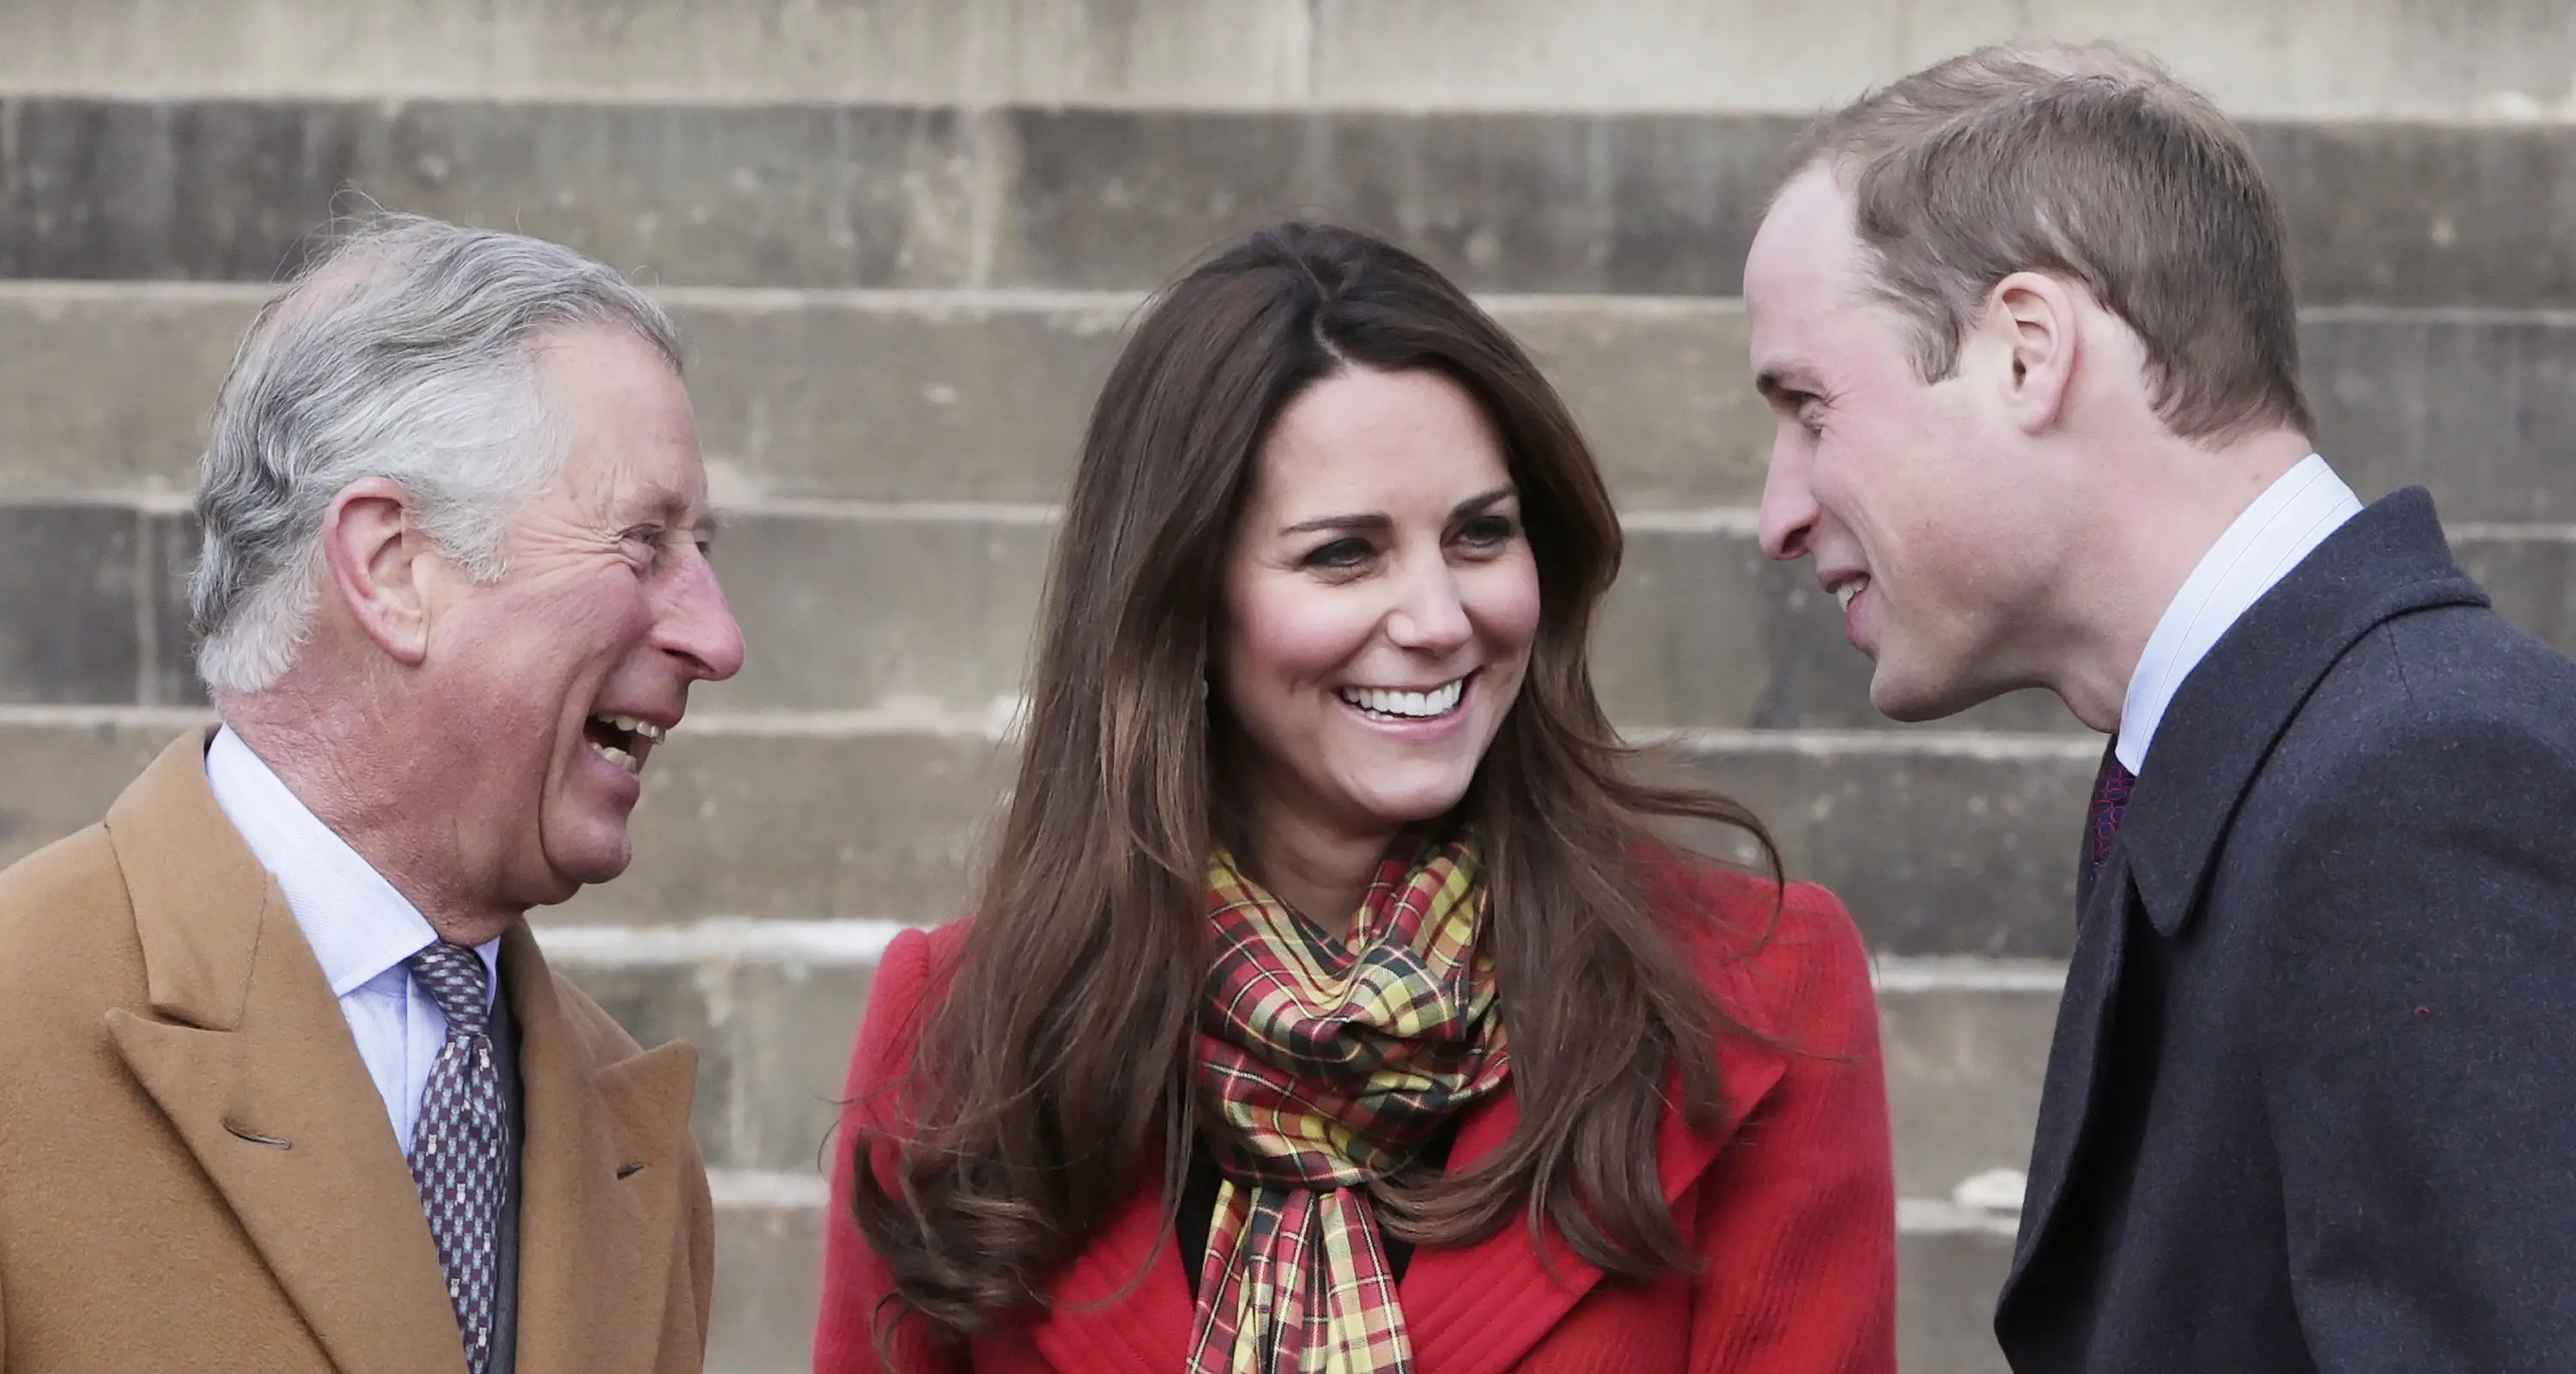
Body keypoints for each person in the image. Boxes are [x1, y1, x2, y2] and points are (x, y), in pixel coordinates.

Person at [812, 222, 1896, 1374]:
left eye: (1481, 534)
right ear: (1184, 605)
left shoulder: (1758, 989)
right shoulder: (964, 1035)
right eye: (1344, 554)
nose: (1437, 619)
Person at [1747, 41, 2576, 1373]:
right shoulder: (2286, 762)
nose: (1778, 512)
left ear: (2026, 352)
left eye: (1809, 407)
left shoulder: (2414, 780)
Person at [0, 215, 743, 1372]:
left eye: (703, 550)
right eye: (642, 543)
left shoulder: (631, 1143)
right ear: (394, 568)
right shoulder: (20, 1020)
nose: (717, 636)